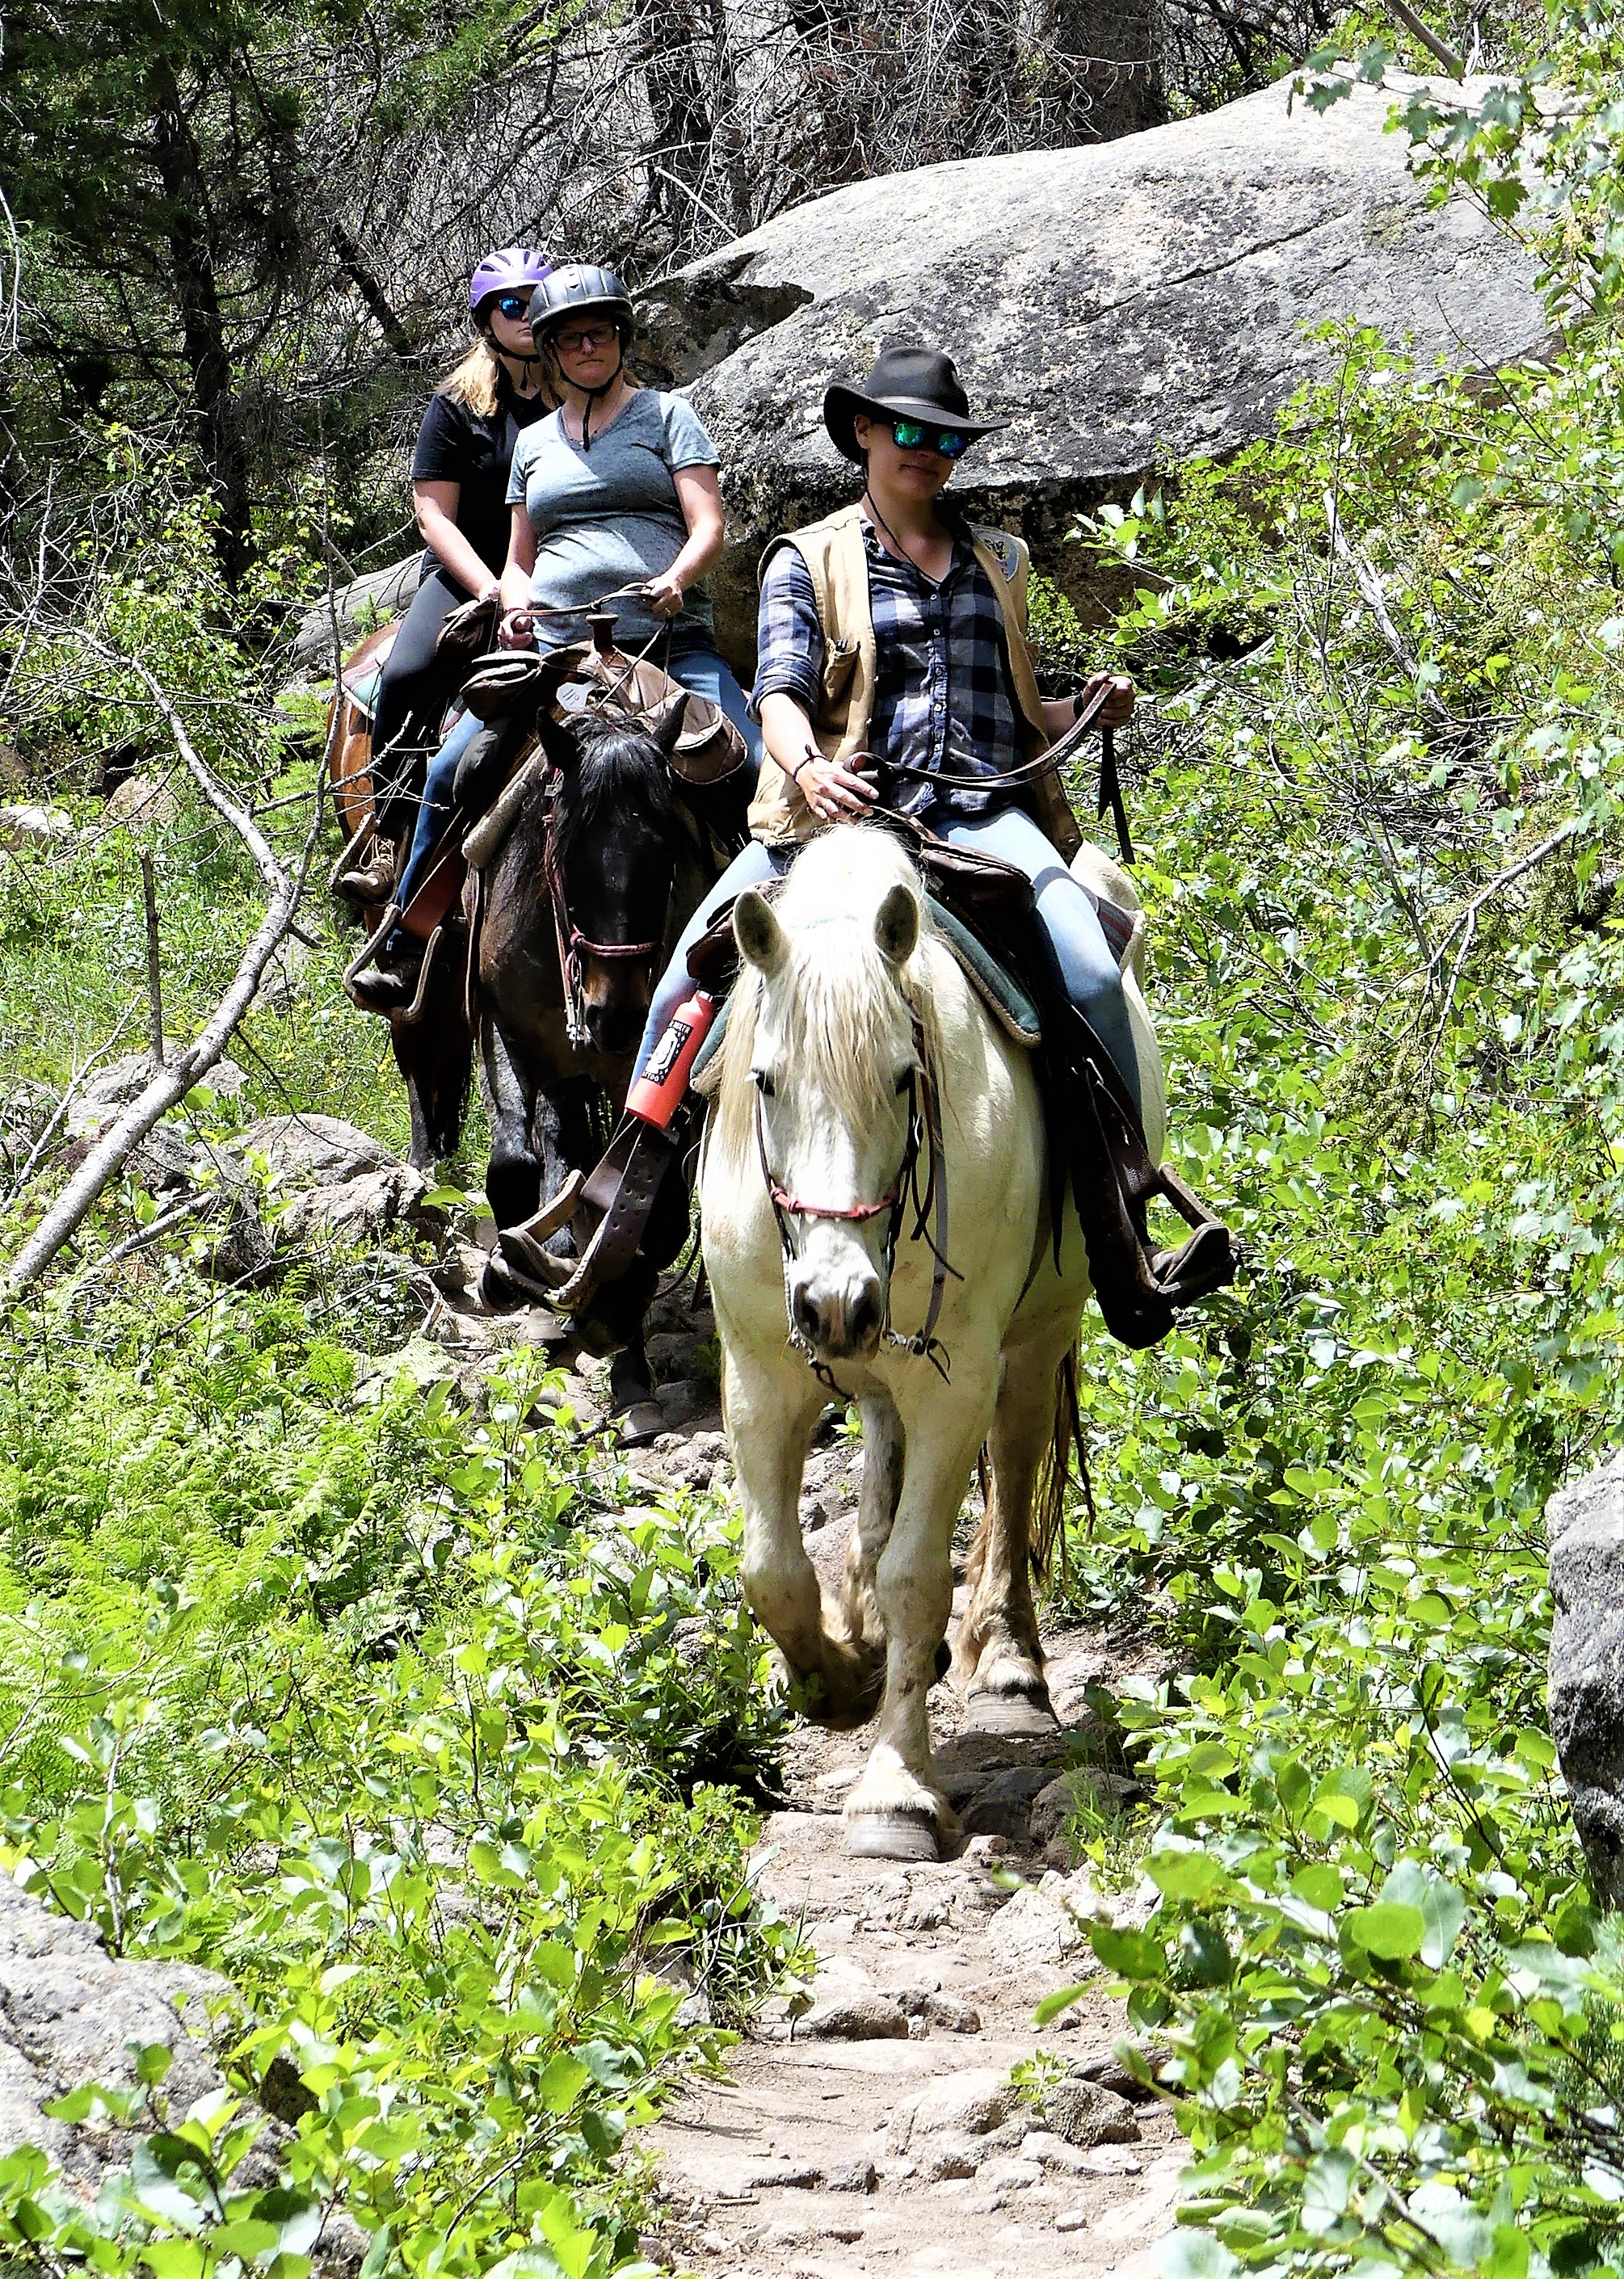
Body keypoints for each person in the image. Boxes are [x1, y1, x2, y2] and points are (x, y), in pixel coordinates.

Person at [630, 342, 1139, 1103]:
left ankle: (1127, 1173)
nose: (927, 451)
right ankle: (635, 1168)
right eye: (908, 431)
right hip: (838, 817)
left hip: (983, 817)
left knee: (1094, 973)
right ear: (864, 430)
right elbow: (778, 696)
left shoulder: (1001, 561)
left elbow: (1018, 714)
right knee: (679, 986)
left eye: (946, 440)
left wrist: (1088, 710)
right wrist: (810, 769)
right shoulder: (804, 558)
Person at [351, 263, 759, 1011]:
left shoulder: (668, 416)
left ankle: (775, 933)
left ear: (621, 338)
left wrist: (676, 577)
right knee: (453, 769)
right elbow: (519, 557)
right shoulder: (535, 443)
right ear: (551, 352)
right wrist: (514, 604)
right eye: (570, 340)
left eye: (598, 334)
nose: (586, 348)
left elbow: (708, 525)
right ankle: (408, 940)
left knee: (751, 761)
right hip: (557, 652)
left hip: (669, 643)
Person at [337, 245, 553, 904]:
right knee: (407, 675)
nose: (525, 314)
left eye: (535, 301)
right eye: (511, 305)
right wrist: (490, 587)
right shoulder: (457, 407)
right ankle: (387, 835)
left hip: (558, 574)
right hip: (467, 578)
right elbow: (433, 516)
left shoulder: (577, 392)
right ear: (486, 320)